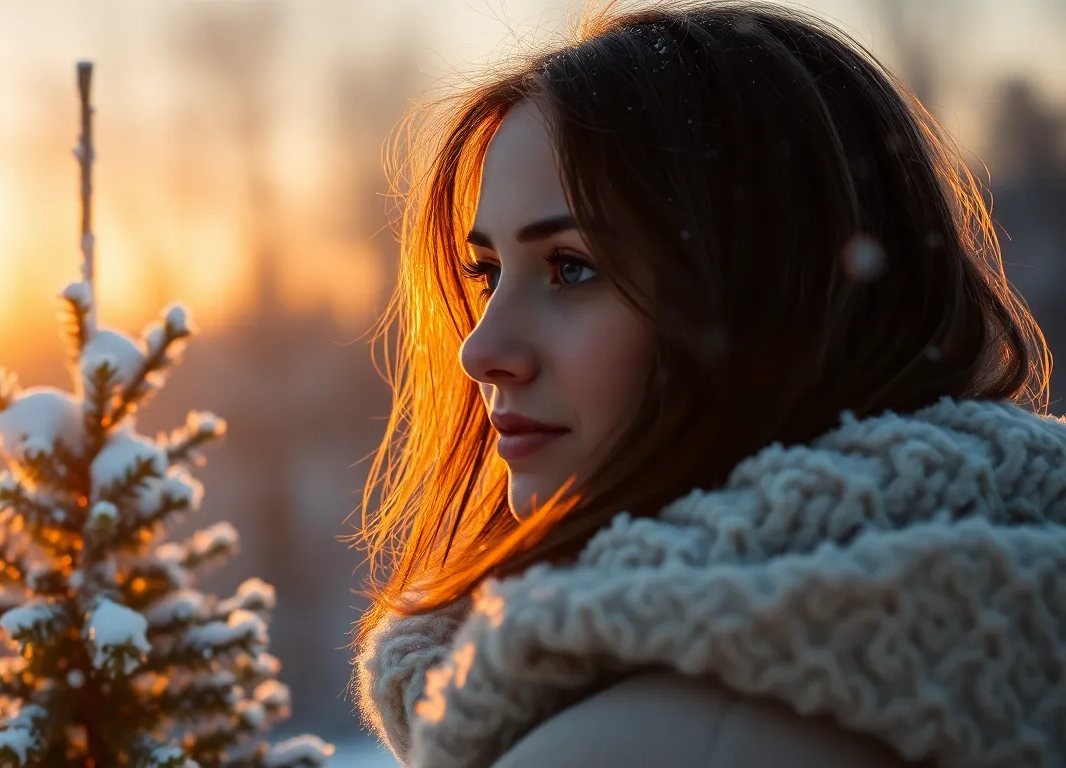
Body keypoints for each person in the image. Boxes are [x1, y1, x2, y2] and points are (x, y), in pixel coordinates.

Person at [348, 2, 1066, 767]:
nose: (481, 350)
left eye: (572, 267)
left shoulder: (635, 743)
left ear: (773, 292)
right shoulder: (1020, 594)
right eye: (486, 274)